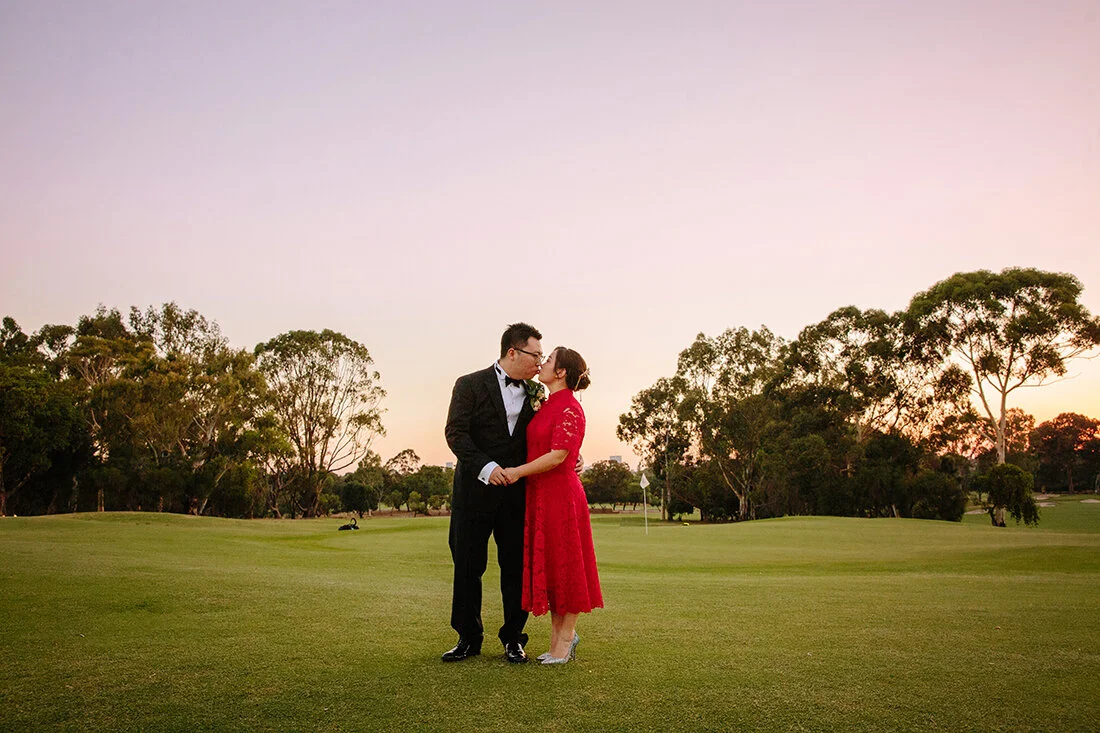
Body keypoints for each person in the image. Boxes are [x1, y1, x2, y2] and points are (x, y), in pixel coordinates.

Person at [442, 322, 545, 664]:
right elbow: (456, 433)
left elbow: (547, 436)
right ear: (512, 352)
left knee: (516, 568)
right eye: (535, 355)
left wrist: (572, 457)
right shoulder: (469, 384)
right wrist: (487, 468)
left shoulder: (537, 394)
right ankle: (467, 638)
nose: (540, 362)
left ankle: (514, 638)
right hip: (473, 494)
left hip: (517, 497)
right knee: (467, 566)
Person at [503, 346, 603, 664]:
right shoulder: (545, 404)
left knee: (567, 565)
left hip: (562, 497)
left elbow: (559, 455)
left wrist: (517, 472)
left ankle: (567, 638)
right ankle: (557, 639)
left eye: (548, 360)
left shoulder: (571, 407)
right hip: (540, 496)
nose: (542, 363)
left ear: (561, 372)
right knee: (553, 567)